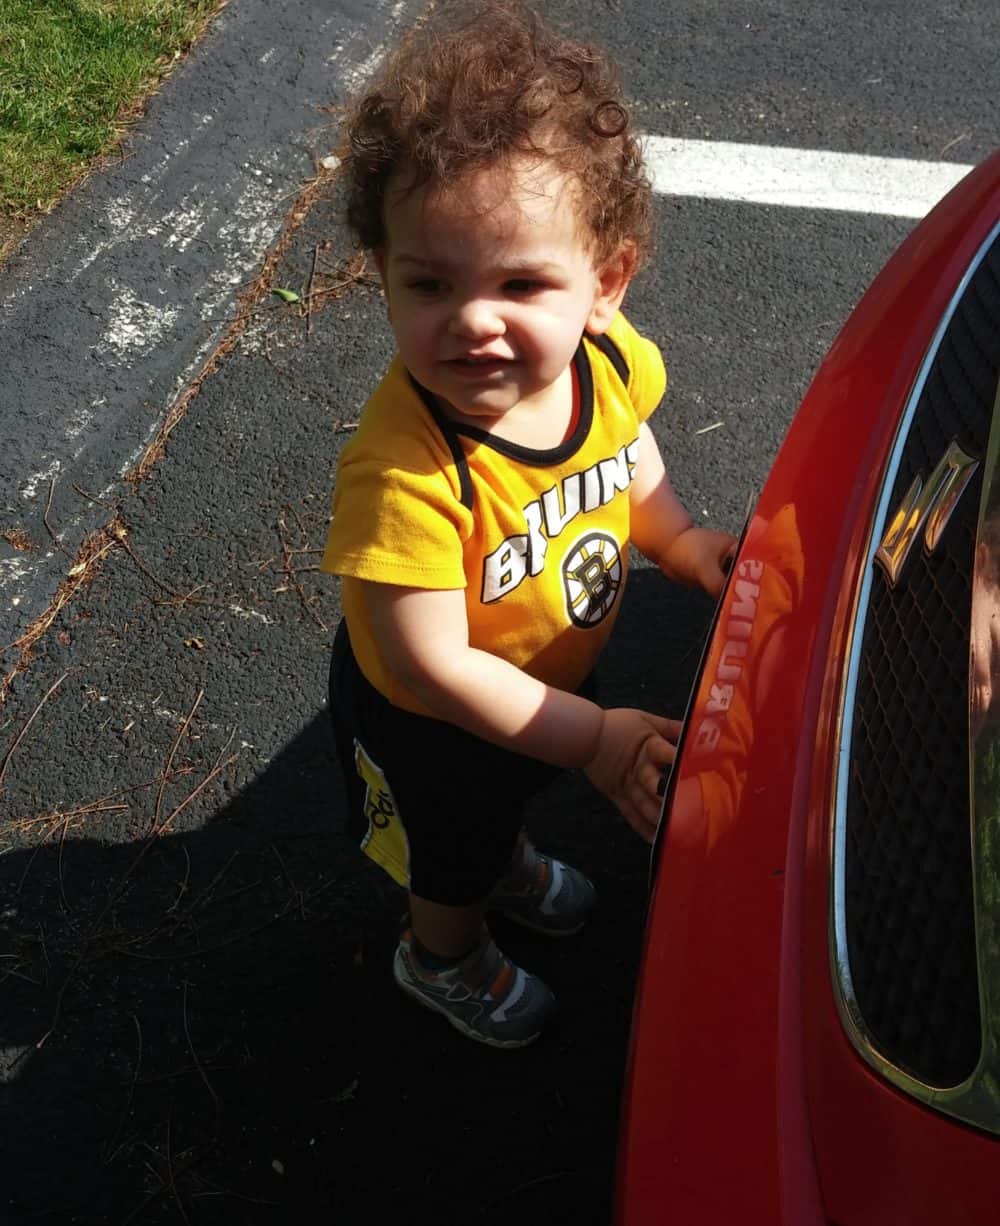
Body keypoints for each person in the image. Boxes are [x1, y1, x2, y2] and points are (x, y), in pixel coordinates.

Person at [321, 0, 735, 1048]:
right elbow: (430, 669)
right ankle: (444, 952)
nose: (472, 319)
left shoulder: (604, 364)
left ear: (605, 284)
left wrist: (675, 535)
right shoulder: (404, 467)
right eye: (429, 282)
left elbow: (626, 450)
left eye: (520, 283)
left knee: (513, 792)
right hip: (433, 724)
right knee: (446, 846)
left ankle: (504, 862)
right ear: (383, 273)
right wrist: (593, 737)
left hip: (544, 667)